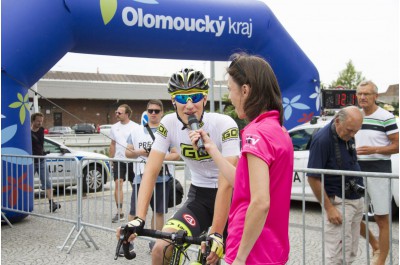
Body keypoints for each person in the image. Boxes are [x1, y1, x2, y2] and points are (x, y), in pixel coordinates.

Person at [117, 68, 240, 265]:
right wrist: (139, 218)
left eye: (195, 97)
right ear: (173, 101)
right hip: (200, 197)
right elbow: (151, 170)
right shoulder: (168, 123)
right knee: (161, 248)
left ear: (205, 99)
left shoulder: (224, 124)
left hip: (232, 199)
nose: (189, 105)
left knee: (219, 258)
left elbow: (226, 182)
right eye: (182, 98)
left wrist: (216, 232)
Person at [190, 53, 294, 264]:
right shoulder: (279, 130)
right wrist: (212, 149)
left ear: (245, 90)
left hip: (252, 253)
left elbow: (260, 202)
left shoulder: (255, 133)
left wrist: (240, 257)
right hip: (274, 249)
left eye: (230, 89)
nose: (229, 96)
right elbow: (243, 182)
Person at [307, 106, 365, 265]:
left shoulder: (347, 133)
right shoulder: (322, 140)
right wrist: (329, 208)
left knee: (350, 251)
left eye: (356, 131)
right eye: (350, 130)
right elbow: (312, 177)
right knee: (336, 256)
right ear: (338, 121)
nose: (352, 135)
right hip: (338, 202)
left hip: (354, 199)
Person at [124, 99, 180, 253]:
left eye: (156, 111)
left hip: (162, 178)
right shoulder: (136, 131)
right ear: (146, 112)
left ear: (162, 112)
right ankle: (128, 242)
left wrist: (156, 157)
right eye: (150, 111)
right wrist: (141, 153)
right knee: (135, 211)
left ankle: (156, 243)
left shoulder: (168, 132)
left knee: (159, 211)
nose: (153, 114)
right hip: (140, 177)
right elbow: (128, 153)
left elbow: (176, 156)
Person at [355, 80, 399, 265]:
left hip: (379, 171)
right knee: (353, 215)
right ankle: (375, 244)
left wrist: (374, 150)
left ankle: (381, 259)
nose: (363, 97)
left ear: (376, 96)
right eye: (360, 94)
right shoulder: (355, 115)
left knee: (381, 217)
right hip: (356, 171)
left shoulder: (386, 117)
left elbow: (396, 146)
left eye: (367, 94)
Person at [110, 104, 139, 223]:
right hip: (119, 160)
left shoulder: (136, 127)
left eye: (119, 113)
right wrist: (111, 159)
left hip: (132, 160)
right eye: (116, 112)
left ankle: (136, 211)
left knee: (136, 186)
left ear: (127, 114)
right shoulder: (114, 127)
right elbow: (112, 144)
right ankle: (119, 212)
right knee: (118, 183)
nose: (117, 114)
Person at [31, 112, 61, 212]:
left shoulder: (41, 130)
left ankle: (52, 203)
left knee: (47, 182)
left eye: (41, 121)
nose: (40, 123)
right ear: (33, 120)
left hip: (41, 160)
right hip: (30, 161)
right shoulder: (27, 131)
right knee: (27, 182)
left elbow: (40, 144)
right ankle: (24, 203)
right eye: (38, 121)